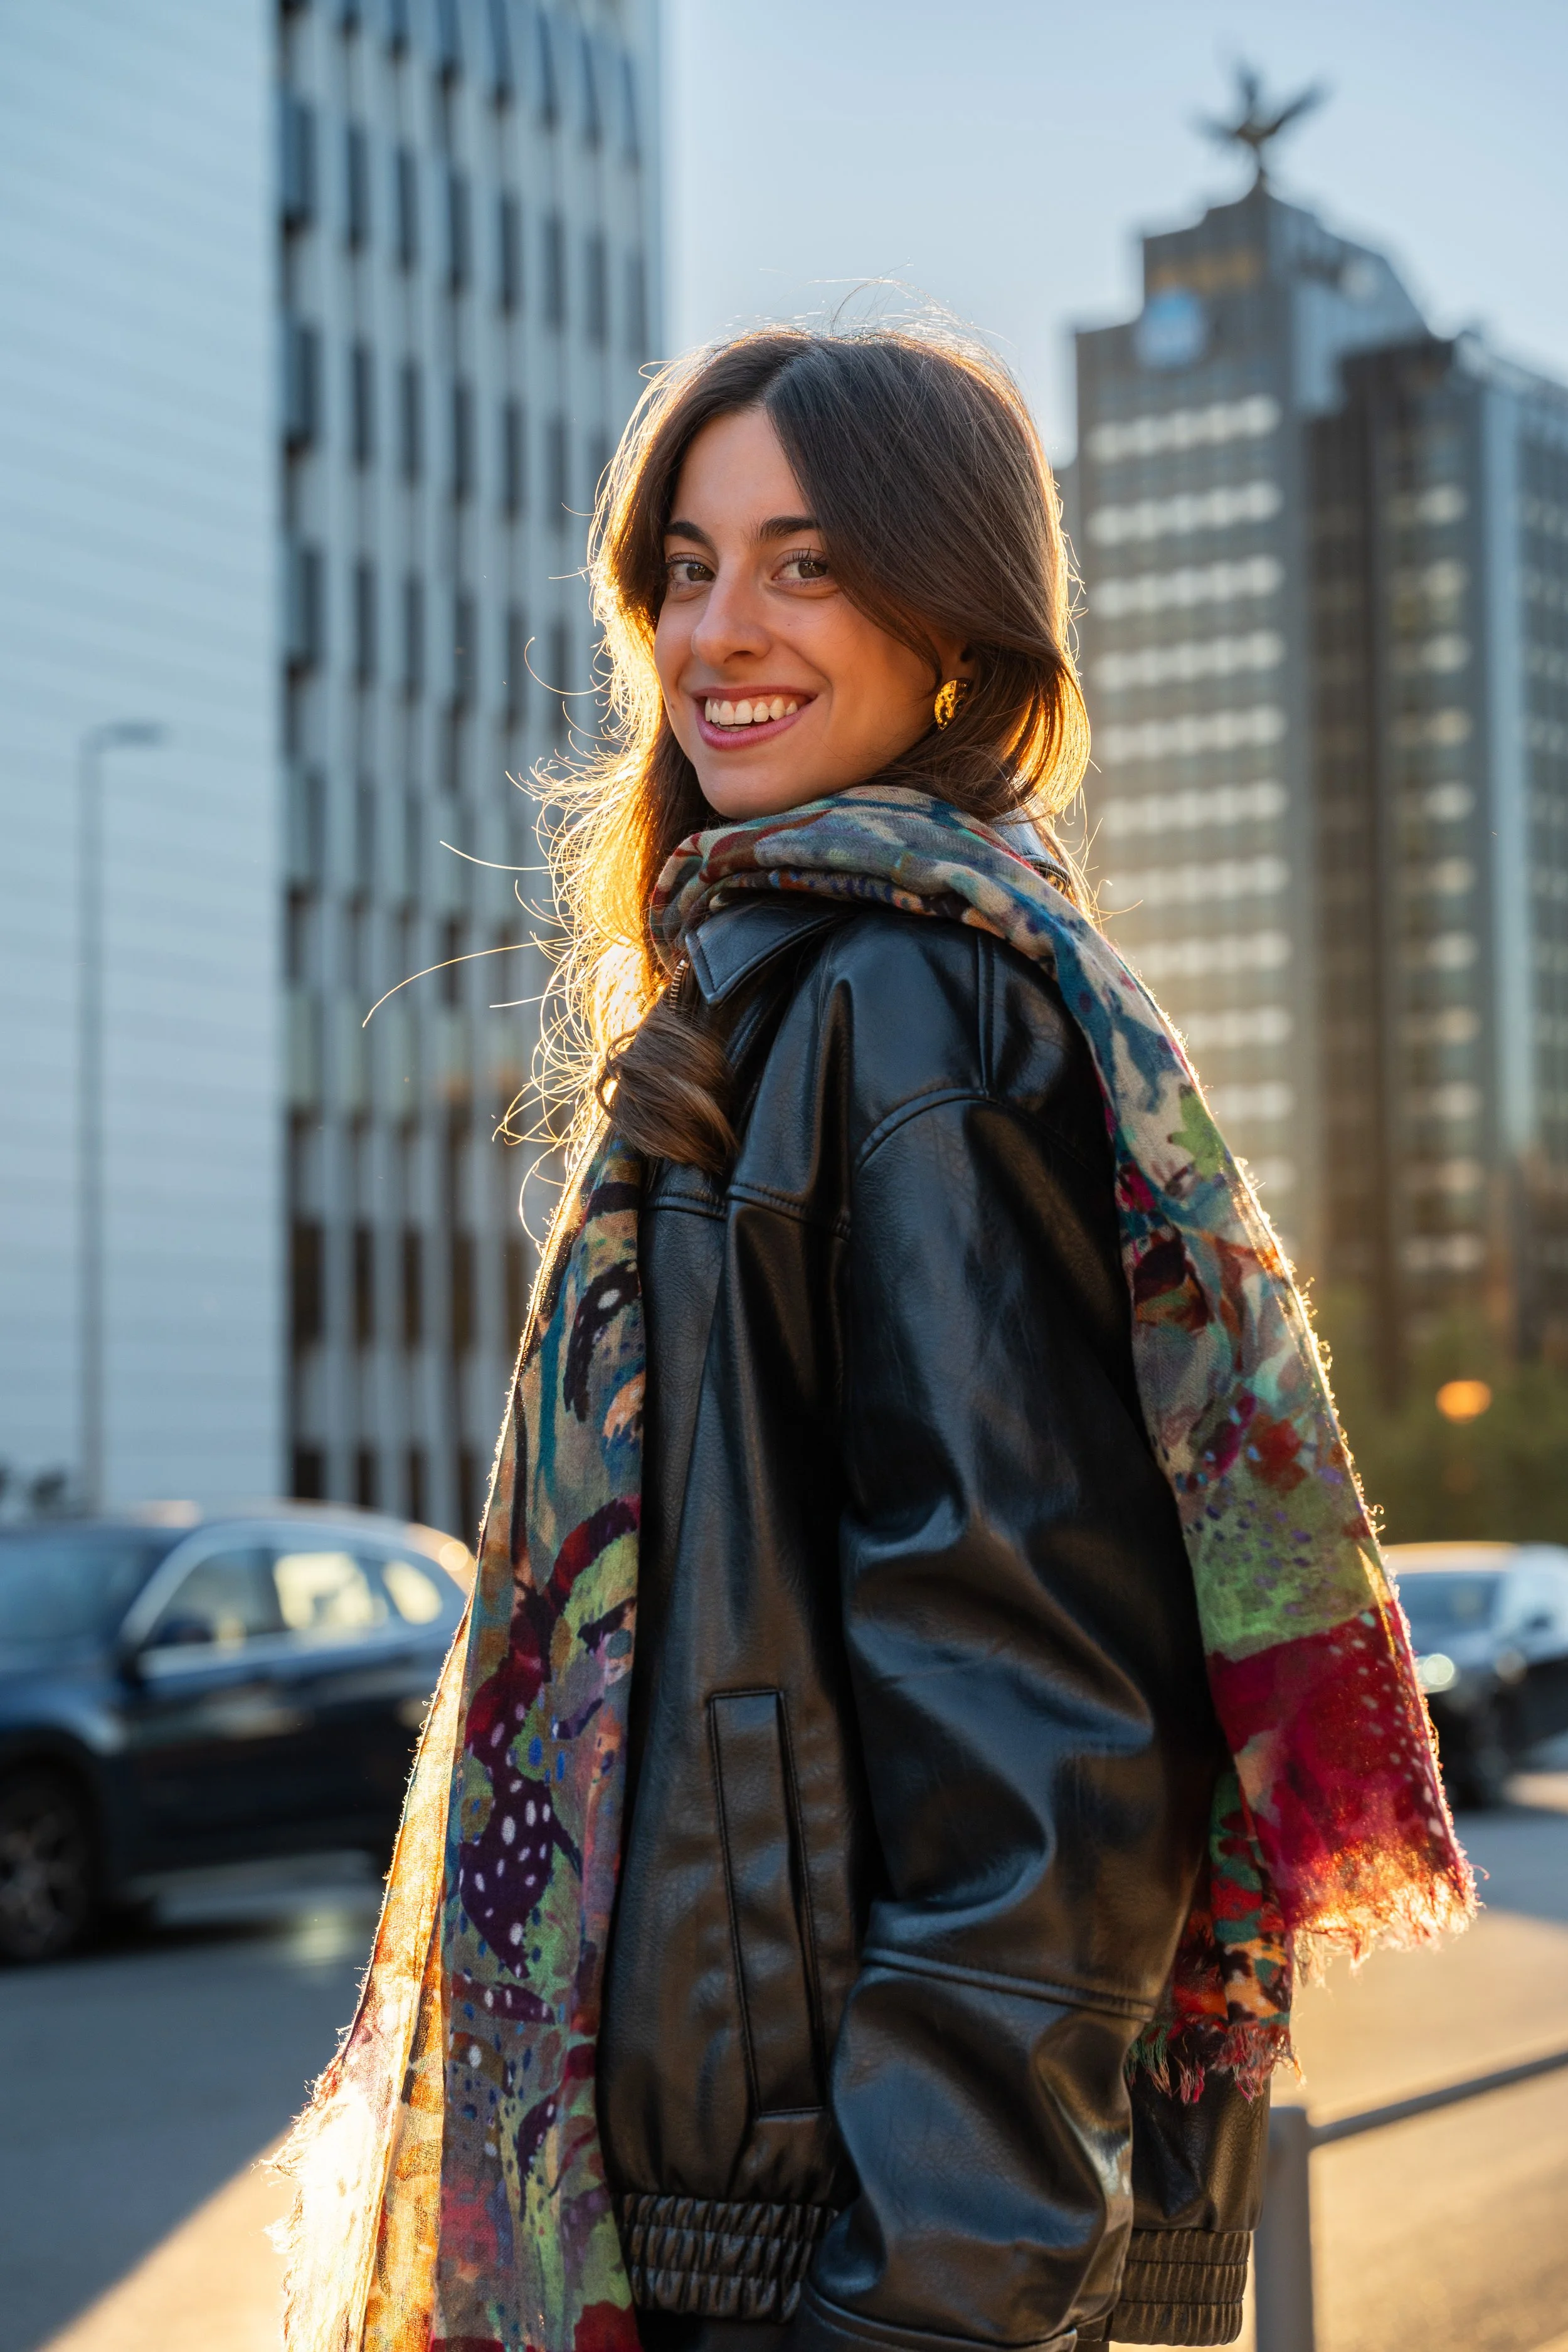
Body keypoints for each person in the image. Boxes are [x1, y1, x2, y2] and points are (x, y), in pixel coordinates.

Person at [278, 326, 1471, 2352]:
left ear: (952, 619)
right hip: (773, 2218)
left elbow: (1043, 1752)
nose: (717, 630)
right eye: (683, 566)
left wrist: (912, 2308)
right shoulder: (789, 988)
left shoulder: (905, 1012)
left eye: (804, 562)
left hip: (822, 2257)